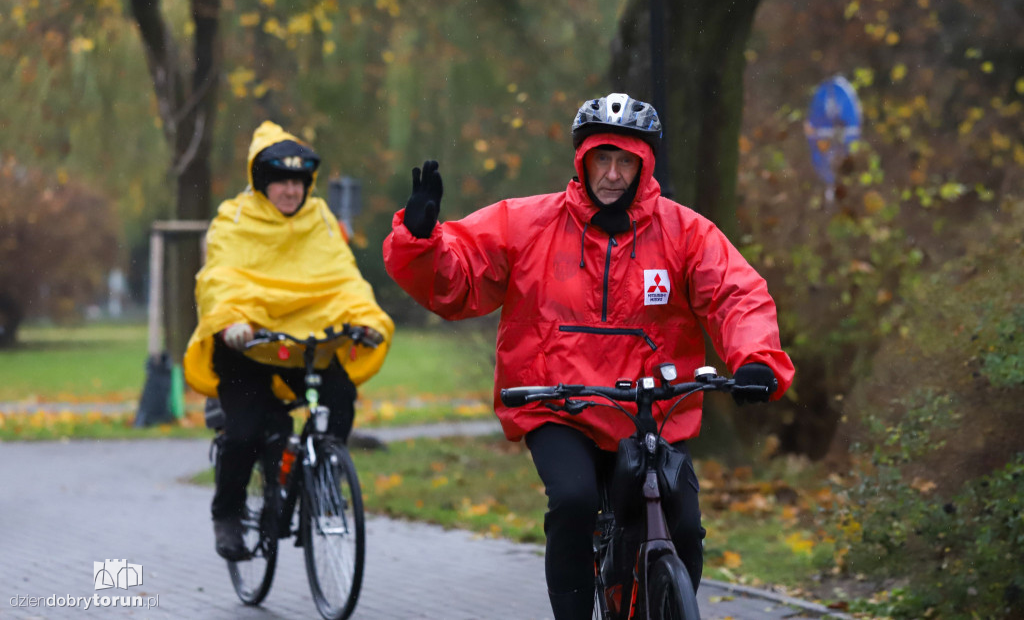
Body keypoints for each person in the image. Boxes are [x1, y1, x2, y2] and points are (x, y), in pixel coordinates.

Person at [382, 93, 795, 619]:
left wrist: (756, 358)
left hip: (651, 405)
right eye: (604, 159)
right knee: (575, 502)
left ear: (645, 167)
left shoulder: (687, 233)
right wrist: (420, 239)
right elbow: (459, 280)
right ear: (583, 161)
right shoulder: (526, 223)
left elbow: (737, 295)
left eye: (627, 161)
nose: (614, 175)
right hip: (559, 402)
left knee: (684, 524)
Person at [184, 121, 395, 561]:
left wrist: (365, 320)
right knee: (245, 434)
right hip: (246, 348)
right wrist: (235, 321)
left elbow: (343, 279)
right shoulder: (233, 219)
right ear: (261, 183)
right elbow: (219, 279)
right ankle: (227, 513)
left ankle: (324, 482)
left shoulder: (320, 220)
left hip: (301, 348)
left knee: (340, 398)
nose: (290, 190)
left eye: (298, 181)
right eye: (280, 180)